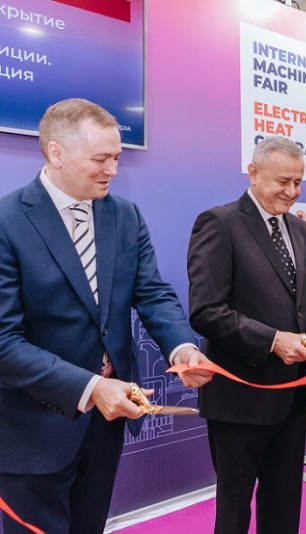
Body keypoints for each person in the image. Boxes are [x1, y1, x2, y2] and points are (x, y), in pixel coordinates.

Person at [0, 98, 212, 534]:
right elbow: (4, 342)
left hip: (106, 426)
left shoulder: (125, 215)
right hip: (32, 431)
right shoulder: (7, 222)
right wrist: (92, 387)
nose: (112, 170)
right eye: (100, 159)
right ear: (56, 153)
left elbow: (151, 292)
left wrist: (181, 346)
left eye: (117, 157)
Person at [186, 135, 306, 534]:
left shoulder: (301, 230)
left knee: (283, 508)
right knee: (233, 514)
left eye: (298, 182)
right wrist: (272, 340)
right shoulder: (219, 223)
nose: (292, 191)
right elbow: (206, 310)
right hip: (239, 399)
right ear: (254, 173)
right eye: (283, 181)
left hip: (294, 395)